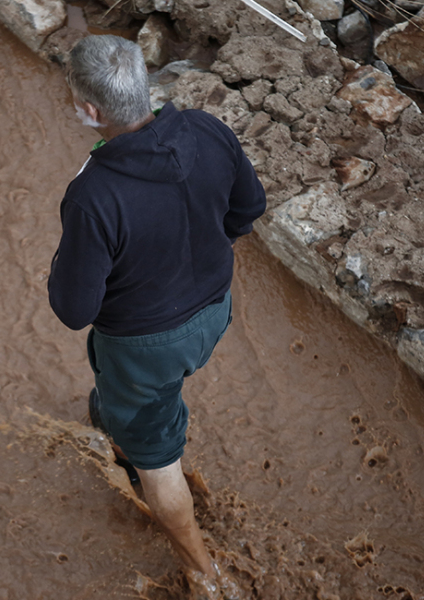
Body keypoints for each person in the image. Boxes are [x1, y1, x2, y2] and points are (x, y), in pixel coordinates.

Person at [47, 34, 266, 592]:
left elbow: (75, 310)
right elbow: (249, 209)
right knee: (134, 401)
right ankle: (115, 418)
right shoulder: (208, 131)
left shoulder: (93, 194)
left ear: (90, 111)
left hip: (146, 346)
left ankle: (206, 573)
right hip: (215, 310)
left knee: (156, 455)